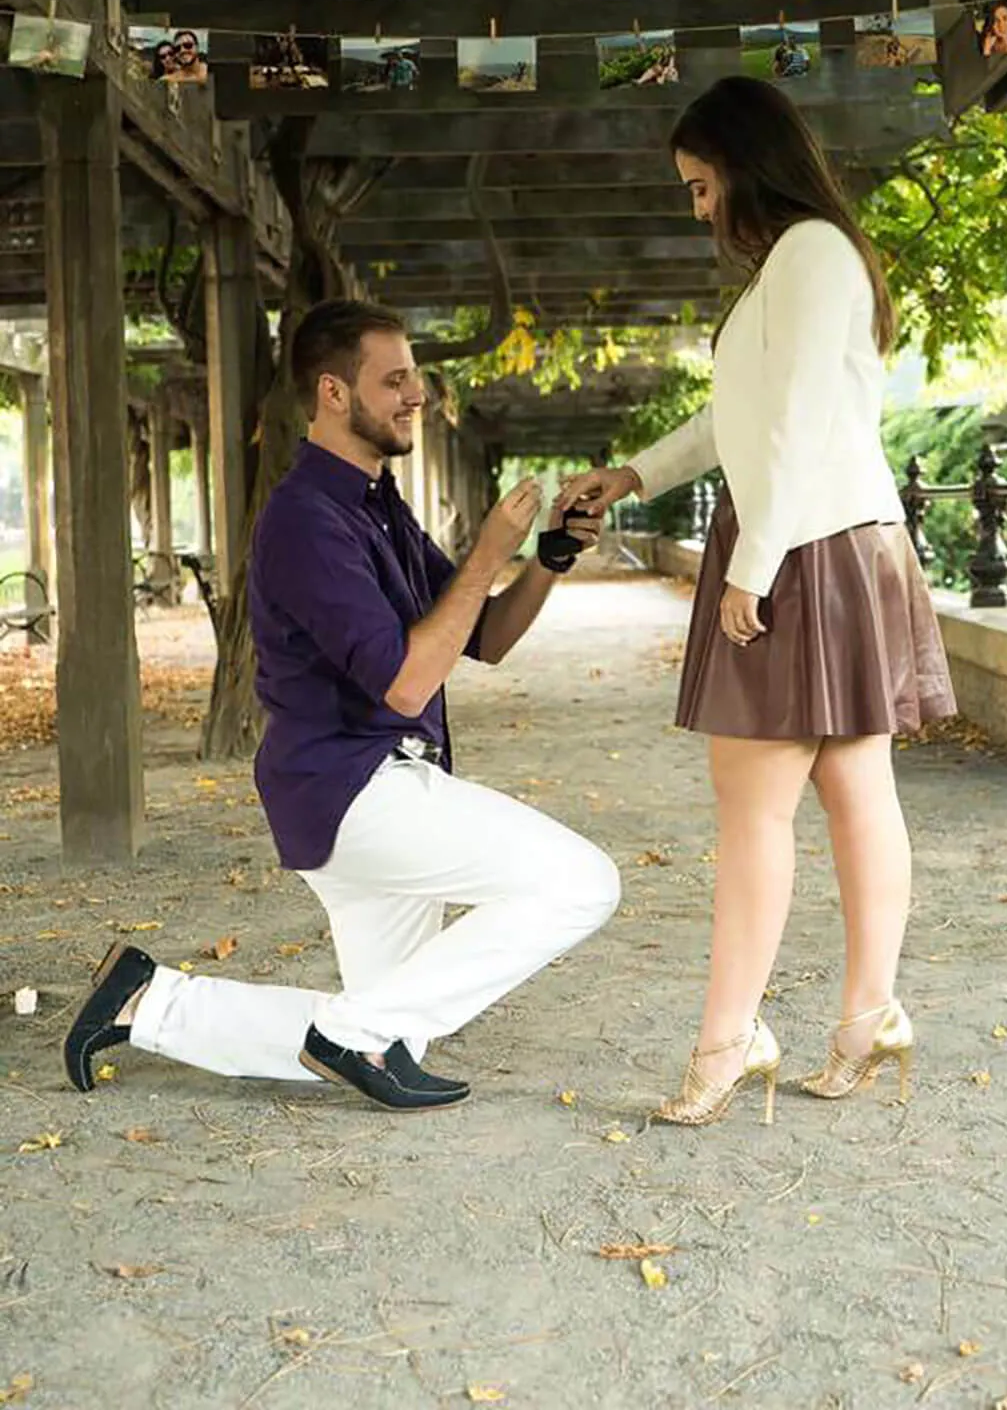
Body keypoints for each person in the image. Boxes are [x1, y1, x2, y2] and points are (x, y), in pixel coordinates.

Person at [65, 300, 619, 1113]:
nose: (416, 396)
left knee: (392, 1036)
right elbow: (404, 683)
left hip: (367, 787)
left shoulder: (376, 502)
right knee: (582, 883)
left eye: (416, 379)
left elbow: (485, 635)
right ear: (332, 392)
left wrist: (547, 558)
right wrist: (487, 552)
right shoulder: (303, 520)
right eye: (393, 380)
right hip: (355, 791)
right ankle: (350, 1032)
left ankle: (147, 1002)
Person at [557, 77, 956, 1126]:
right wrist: (634, 475)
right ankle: (864, 1018)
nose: (697, 210)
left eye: (699, 186)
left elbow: (800, 421)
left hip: (807, 544)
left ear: (743, 163)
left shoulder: (812, 254)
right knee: (844, 792)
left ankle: (733, 1040)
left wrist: (753, 563)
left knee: (764, 807)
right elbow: (740, 418)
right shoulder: (802, 261)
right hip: (815, 537)